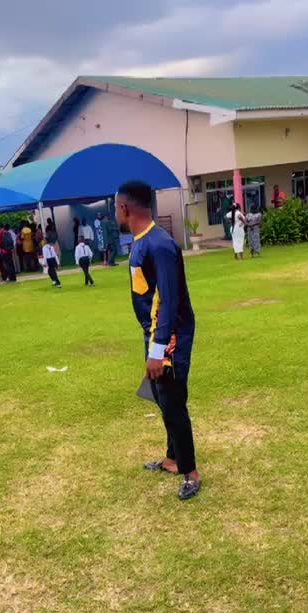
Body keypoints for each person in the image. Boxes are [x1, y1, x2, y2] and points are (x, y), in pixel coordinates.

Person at [115, 179, 200, 501]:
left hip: (170, 335)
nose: (115, 212)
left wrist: (158, 349)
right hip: (154, 334)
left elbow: (169, 300)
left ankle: (190, 471)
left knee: (173, 401)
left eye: (116, 206)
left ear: (124, 207)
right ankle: (172, 459)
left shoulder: (160, 245)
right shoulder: (140, 242)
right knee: (163, 398)